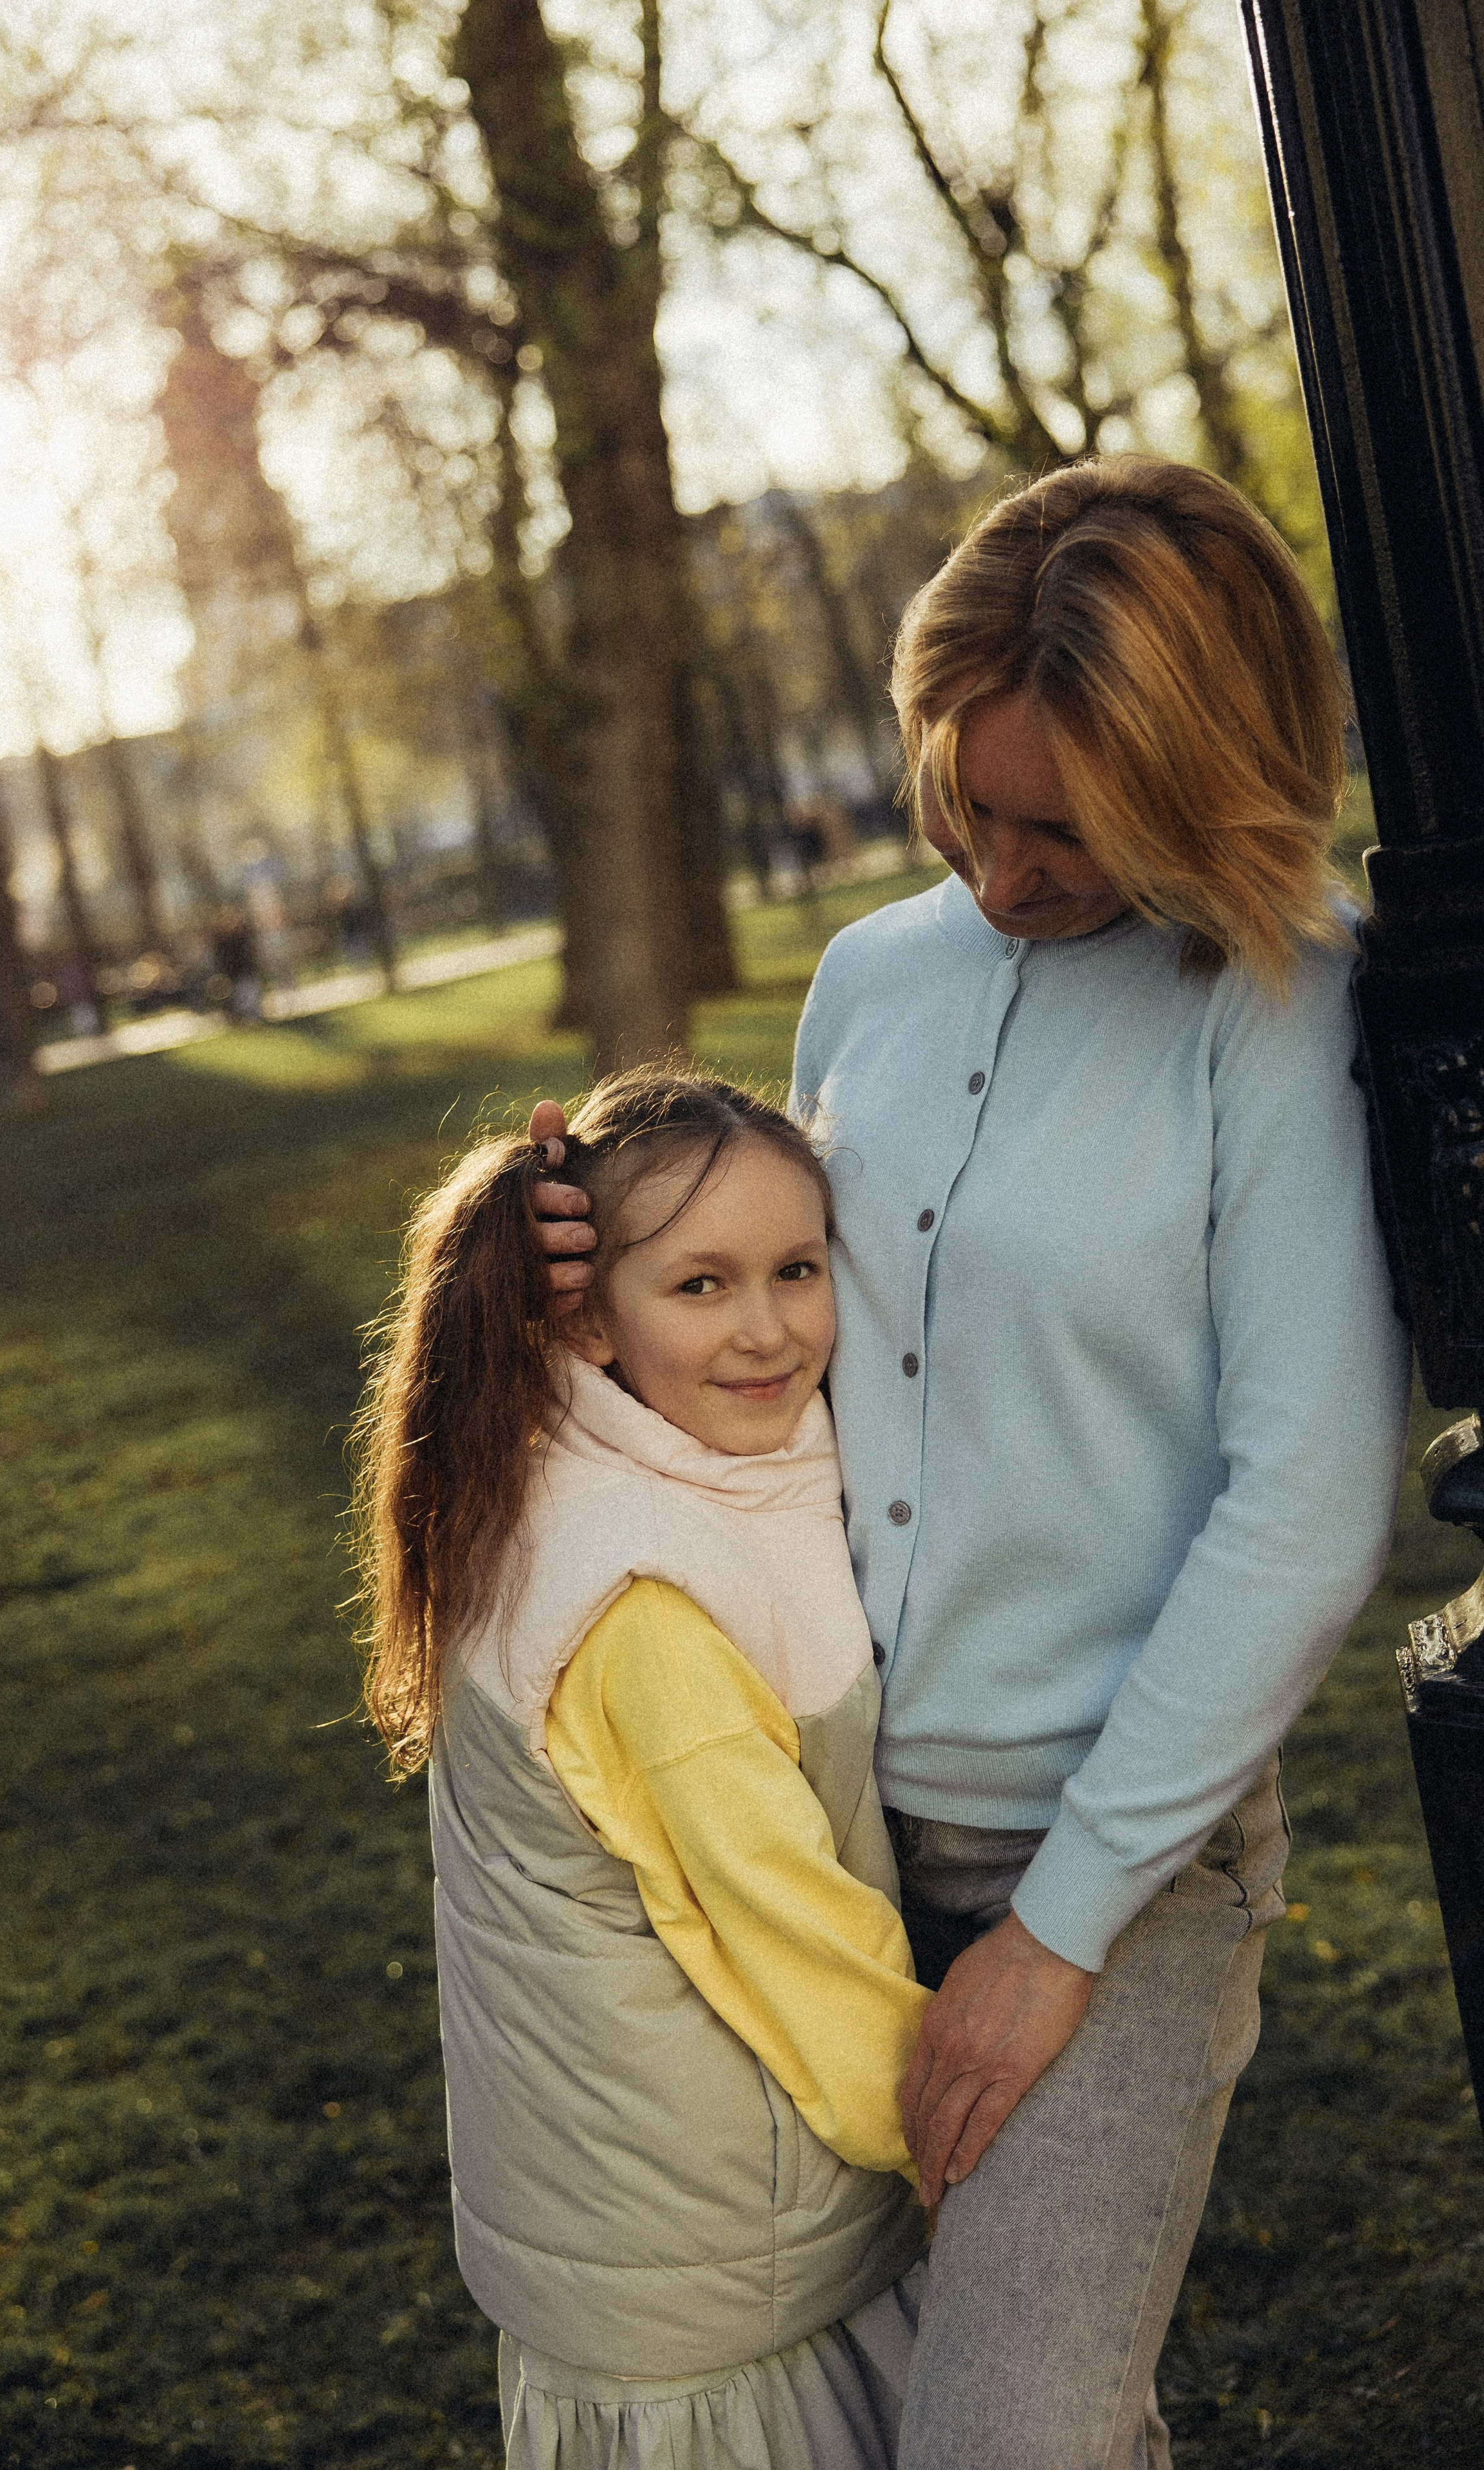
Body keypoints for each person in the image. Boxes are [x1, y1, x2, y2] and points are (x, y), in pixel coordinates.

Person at [531, 456, 1411, 2469]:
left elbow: (1302, 1503)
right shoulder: (869, 979)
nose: (1004, 874)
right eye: (970, 802)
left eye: (1073, 834)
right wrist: (567, 1249)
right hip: (813, 1834)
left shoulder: (1279, 993)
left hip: (1112, 1856)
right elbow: (759, 1348)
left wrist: (1059, 1932)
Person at [353, 1070, 935, 2470]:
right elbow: (792, 1933)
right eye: (699, 1285)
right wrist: (961, 2142)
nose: (766, 1329)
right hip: (722, 2290)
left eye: (797, 1269)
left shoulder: (552, 1463)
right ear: (587, 1315)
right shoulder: (646, 1606)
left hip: (633, 2250)